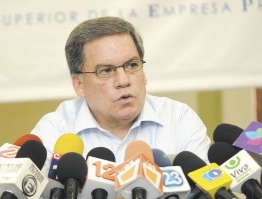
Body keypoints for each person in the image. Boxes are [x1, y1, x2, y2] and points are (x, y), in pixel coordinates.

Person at [31, 16, 211, 173]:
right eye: (106, 70)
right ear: (79, 84)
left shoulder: (178, 119)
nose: (124, 80)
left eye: (132, 65)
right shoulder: (56, 130)